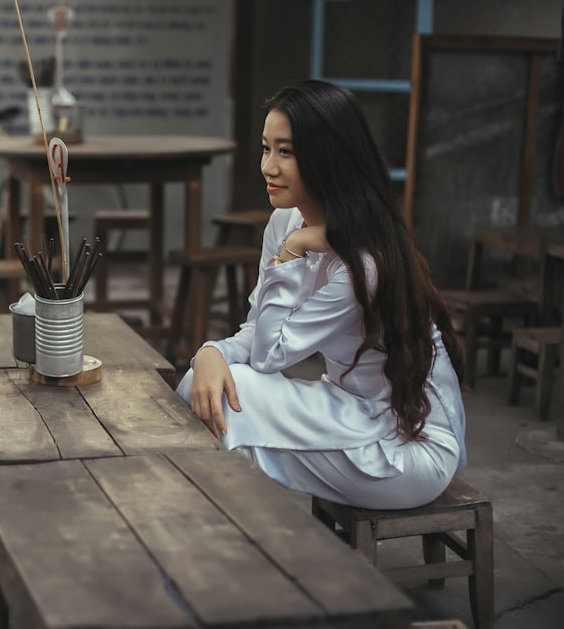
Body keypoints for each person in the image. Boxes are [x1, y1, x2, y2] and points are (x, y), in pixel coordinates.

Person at [176, 80, 467, 510]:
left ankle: (217, 542)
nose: (268, 167)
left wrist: (293, 251)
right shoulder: (284, 222)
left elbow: (268, 357)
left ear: (328, 158)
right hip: (350, 413)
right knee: (208, 393)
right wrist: (210, 352)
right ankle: (224, 537)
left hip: (407, 446)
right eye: (265, 148)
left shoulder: (364, 262)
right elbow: (257, 331)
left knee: (225, 406)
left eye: (287, 152)